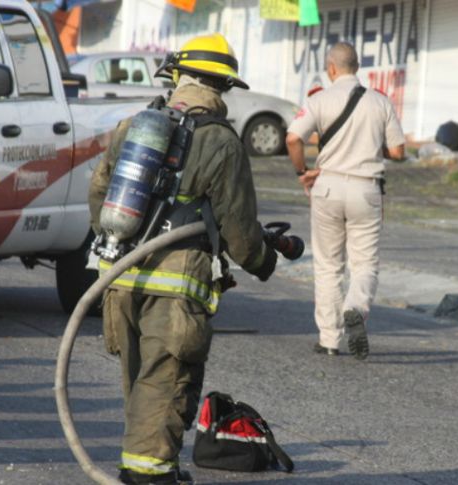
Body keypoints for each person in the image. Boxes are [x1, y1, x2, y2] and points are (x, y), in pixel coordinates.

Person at [88, 33, 278, 485]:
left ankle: (150, 467)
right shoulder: (221, 142)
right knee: (167, 382)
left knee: (140, 383)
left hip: (121, 278)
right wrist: (266, 259)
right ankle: (149, 476)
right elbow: (240, 233)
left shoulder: (133, 127)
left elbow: (99, 197)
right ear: (222, 87)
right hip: (176, 292)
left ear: (174, 77)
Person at [285, 42, 405, 361]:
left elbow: (293, 138)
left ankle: (328, 339)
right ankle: (355, 308)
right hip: (367, 188)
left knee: (327, 265)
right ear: (356, 67)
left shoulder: (319, 100)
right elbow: (398, 152)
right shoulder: (381, 102)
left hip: (326, 186)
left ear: (332, 68)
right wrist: (368, 149)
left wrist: (302, 171)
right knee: (364, 263)